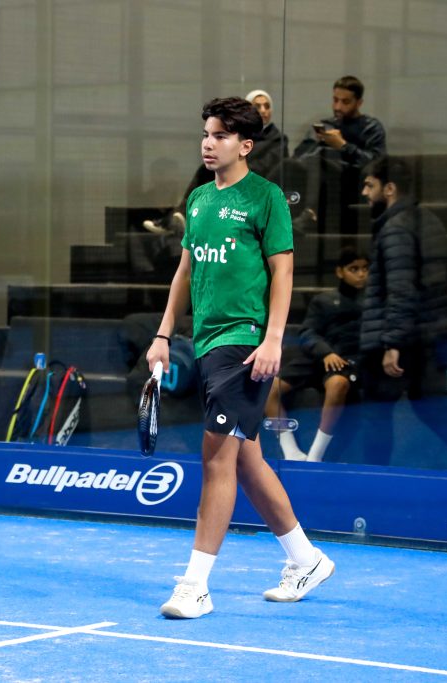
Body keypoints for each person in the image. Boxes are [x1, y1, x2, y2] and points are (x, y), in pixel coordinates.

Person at [148, 96, 334, 619]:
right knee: (246, 460)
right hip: (208, 342)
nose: (209, 144)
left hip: (246, 342)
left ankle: (195, 586)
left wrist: (273, 338)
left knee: (216, 457)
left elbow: (283, 271)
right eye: (206, 134)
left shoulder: (267, 198)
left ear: (245, 145)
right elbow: (185, 271)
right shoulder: (199, 200)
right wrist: (163, 334)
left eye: (220, 136)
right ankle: (307, 559)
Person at [358, 156, 447, 472]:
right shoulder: (429, 221)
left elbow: (401, 289)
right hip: (427, 334)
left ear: (389, 188)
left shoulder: (395, 229)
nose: (364, 193)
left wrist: (392, 343)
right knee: (434, 410)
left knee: (377, 415)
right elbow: (434, 284)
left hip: (400, 339)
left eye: (370, 185)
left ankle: (373, 480)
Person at [266, 245, 367, 462]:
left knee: (338, 384)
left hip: (347, 362)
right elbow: (307, 332)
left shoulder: (370, 304)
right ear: (340, 271)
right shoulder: (323, 301)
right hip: (317, 358)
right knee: (267, 388)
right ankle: (290, 451)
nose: (361, 274)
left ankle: (315, 455)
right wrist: (325, 353)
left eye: (364, 269)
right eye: (354, 269)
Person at [143, 89, 288, 235]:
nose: (263, 110)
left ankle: (177, 219)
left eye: (266, 106)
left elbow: (268, 165)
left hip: (253, 181)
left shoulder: (276, 140)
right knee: (205, 171)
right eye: (257, 106)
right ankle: (178, 217)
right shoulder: (242, 135)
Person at [285, 76, 387, 234]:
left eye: (345, 102)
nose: (338, 107)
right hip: (317, 178)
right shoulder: (327, 125)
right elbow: (298, 157)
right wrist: (315, 143)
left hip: (351, 181)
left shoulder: (371, 128)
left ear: (359, 103)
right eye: (335, 100)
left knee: (316, 160)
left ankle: (311, 215)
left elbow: (376, 162)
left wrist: (343, 146)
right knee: (287, 164)